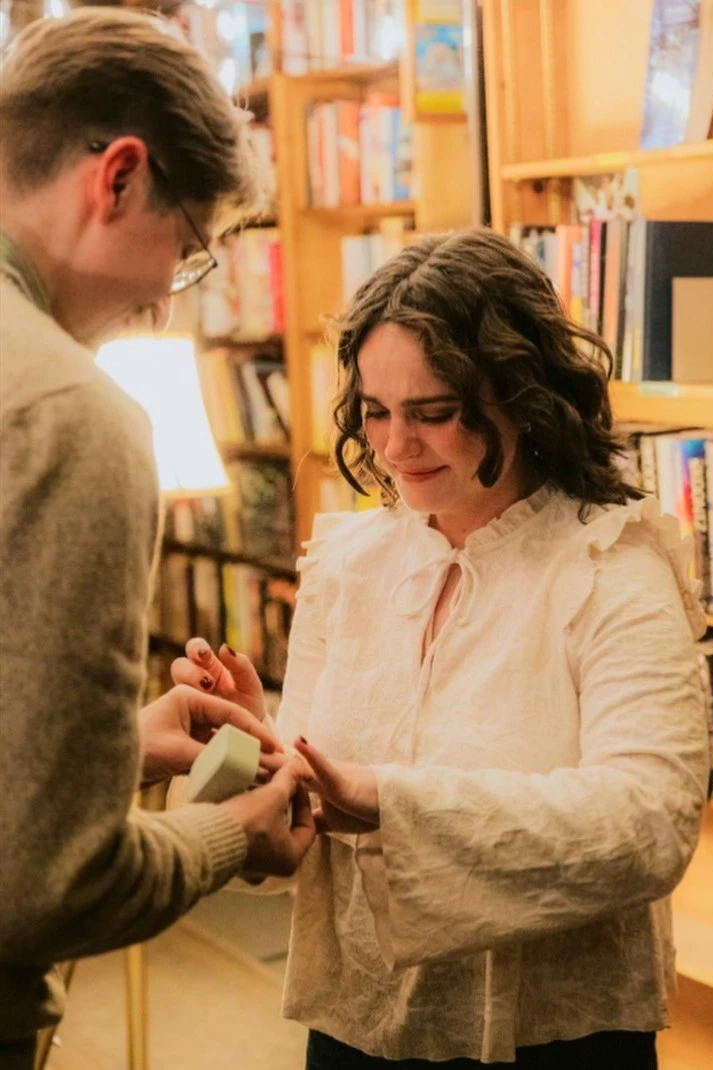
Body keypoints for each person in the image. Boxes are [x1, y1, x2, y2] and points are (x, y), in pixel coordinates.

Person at [176, 229, 709, 1069]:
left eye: (432, 413)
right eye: (376, 411)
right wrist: (262, 750)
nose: (395, 447)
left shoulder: (612, 564)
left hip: (554, 1038)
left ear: (524, 397)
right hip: (356, 1023)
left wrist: (388, 798)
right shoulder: (348, 563)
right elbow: (307, 841)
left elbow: (650, 823)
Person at [0, 10, 314, 1068]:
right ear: (120, 177)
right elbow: (47, 882)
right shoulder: (70, 415)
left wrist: (105, 751)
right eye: (183, 255)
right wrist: (233, 833)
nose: (159, 308)